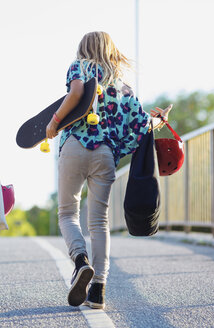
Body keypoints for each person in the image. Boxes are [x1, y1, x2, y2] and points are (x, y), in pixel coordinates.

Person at [46, 31, 172, 310]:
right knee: (99, 222)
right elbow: (142, 127)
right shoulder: (124, 87)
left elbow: (76, 92)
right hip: (105, 154)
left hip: (74, 146)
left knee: (67, 212)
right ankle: (98, 291)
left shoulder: (79, 67)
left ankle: (80, 261)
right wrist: (161, 120)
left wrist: (54, 121)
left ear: (83, 49)